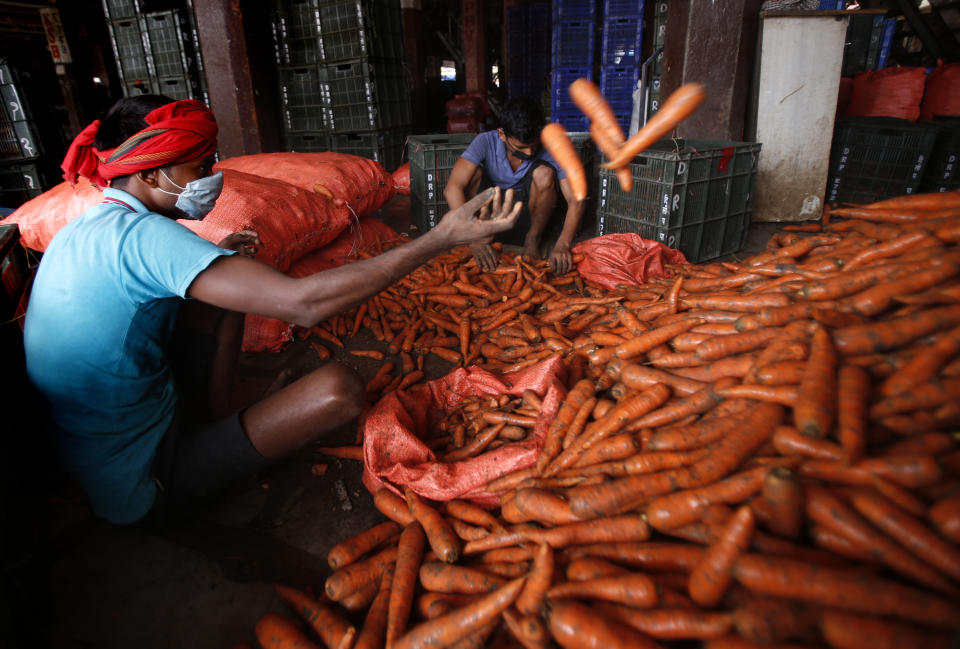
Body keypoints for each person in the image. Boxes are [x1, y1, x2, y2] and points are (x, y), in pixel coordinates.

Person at [23, 95, 521, 527]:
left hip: (85, 451)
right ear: (153, 171)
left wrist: (223, 260)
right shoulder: (148, 238)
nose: (211, 178)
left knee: (223, 290)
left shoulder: (88, 228)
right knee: (339, 390)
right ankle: (206, 450)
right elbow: (303, 305)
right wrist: (440, 238)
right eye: (199, 168)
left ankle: (217, 419)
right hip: (141, 482)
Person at [443, 96, 586, 275]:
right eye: (521, 147)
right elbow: (452, 188)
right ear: (502, 134)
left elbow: (576, 200)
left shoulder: (553, 146)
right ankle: (480, 233)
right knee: (472, 175)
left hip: (529, 212)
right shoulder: (485, 141)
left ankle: (532, 240)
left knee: (544, 173)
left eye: (534, 146)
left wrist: (563, 244)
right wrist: (471, 237)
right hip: (490, 208)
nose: (529, 152)